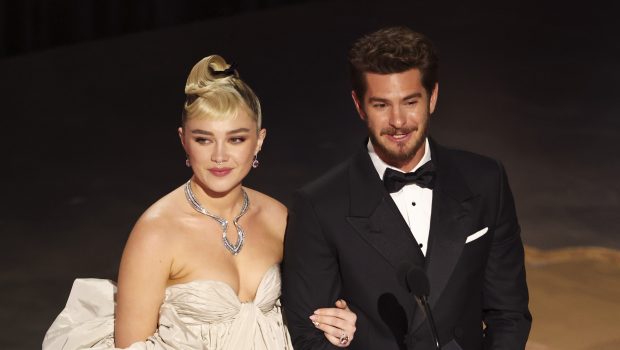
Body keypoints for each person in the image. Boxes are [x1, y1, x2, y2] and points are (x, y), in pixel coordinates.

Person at [43, 55, 357, 349]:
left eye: (236, 139)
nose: (220, 156)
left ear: (258, 141)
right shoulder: (157, 233)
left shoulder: (279, 217)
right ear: (184, 140)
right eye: (203, 139)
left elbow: (313, 319)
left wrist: (339, 328)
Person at [282, 26, 531, 350]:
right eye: (381, 105)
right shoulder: (319, 205)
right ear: (359, 105)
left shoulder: (485, 180)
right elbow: (309, 336)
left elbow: (509, 313)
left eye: (410, 102)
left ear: (433, 97)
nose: (398, 121)